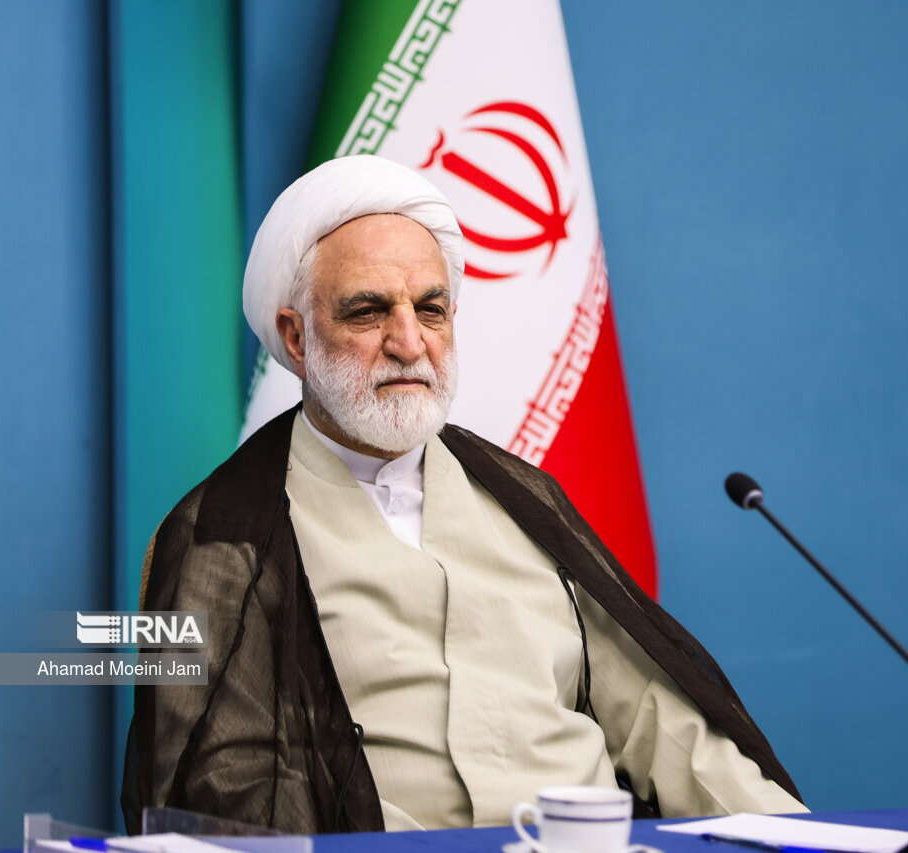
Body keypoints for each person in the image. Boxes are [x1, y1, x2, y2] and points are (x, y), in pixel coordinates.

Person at [121, 156, 805, 834]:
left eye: (431, 309)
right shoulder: (224, 537)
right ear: (296, 338)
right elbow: (220, 783)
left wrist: (797, 836)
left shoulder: (524, 499)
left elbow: (657, 715)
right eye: (368, 311)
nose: (409, 342)